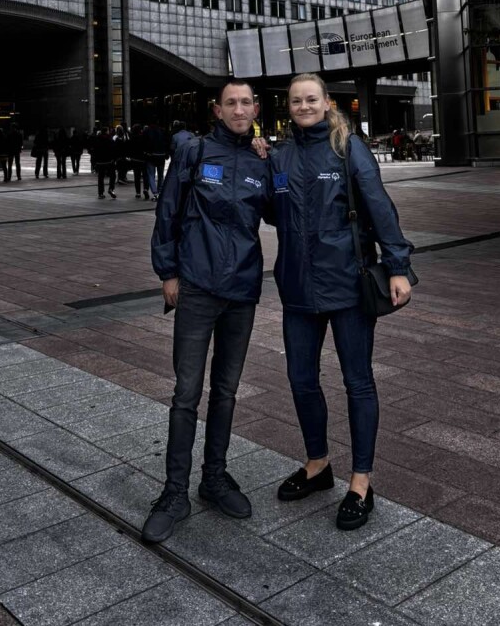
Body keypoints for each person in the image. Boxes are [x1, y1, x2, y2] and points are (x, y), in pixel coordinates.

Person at [269, 73, 415, 532]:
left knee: (358, 382)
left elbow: (379, 206)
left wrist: (397, 266)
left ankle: (360, 481)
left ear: (327, 102)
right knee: (300, 379)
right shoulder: (279, 154)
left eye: (312, 98)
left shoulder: (348, 147)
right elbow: (270, 208)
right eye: (297, 100)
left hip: (348, 286)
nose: (305, 106)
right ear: (288, 106)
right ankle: (318, 465)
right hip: (296, 286)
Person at [141, 80, 273, 544]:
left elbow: (279, 212)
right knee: (186, 392)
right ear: (217, 110)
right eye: (230, 103)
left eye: (246, 103)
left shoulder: (261, 161)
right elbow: (168, 211)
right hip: (196, 286)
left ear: (256, 109)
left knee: (226, 391)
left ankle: (213, 478)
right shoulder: (195, 153)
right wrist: (168, 272)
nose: (239, 109)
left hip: (242, 289)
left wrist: (271, 160)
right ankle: (174, 492)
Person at [143, 120, 168, 198]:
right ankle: (159, 190)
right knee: (160, 175)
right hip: (161, 155)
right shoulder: (162, 131)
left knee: (151, 175)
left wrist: (146, 153)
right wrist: (166, 153)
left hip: (151, 156)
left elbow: (144, 143)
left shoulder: (147, 131)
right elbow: (167, 142)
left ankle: (155, 192)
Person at [93, 126, 117, 199]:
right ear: (106, 131)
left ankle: (100, 193)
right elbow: (113, 150)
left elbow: (94, 151)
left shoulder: (97, 139)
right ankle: (111, 188)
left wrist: (95, 161)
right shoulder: (110, 139)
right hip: (109, 161)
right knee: (113, 175)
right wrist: (114, 159)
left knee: (101, 177)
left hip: (100, 162)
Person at [128, 123, 150, 200]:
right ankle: (146, 189)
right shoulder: (143, 138)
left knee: (136, 177)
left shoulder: (132, 138)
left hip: (134, 159)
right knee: (145, 176)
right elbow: (147, 147)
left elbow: (129, 149)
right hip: (143, 159)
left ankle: (138, 193)